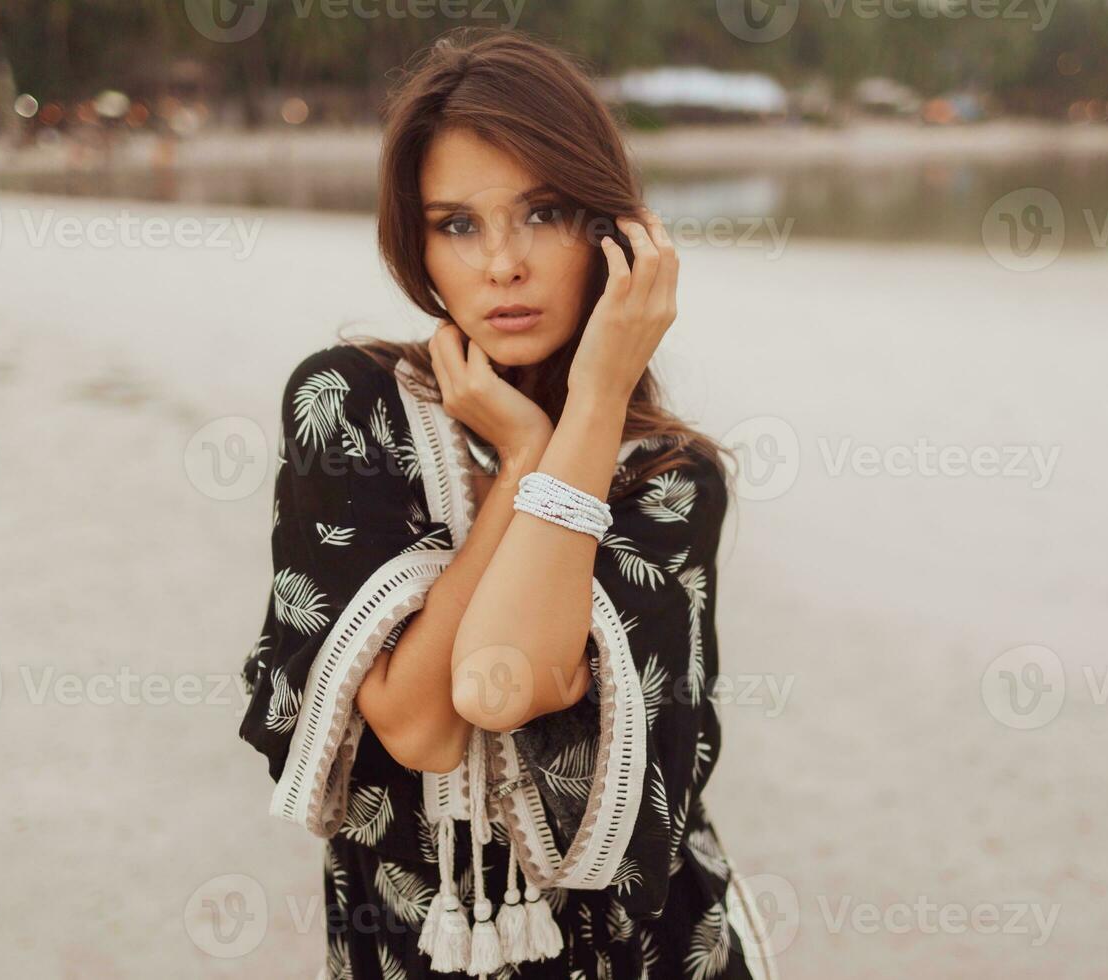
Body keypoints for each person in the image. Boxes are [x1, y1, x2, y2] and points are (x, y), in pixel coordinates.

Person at [238, 27, 777, 980]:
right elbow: (421, 725)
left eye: (545, 214)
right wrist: (526, 456)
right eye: (456, 224)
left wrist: (594, 403)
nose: (501, 265)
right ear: (418, 244)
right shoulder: (351, 409)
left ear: (615, 234)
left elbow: (500, 681)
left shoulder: (671, 478)